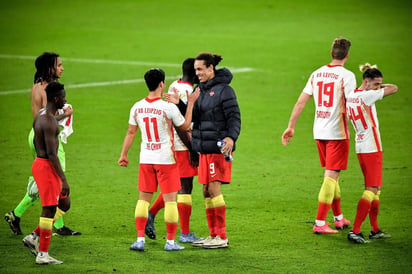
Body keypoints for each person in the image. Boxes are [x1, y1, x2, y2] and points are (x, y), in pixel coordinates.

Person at [118, 68, 199, 251]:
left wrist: (123, 155)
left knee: (143, 200)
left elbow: (131, 132)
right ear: (162, 84)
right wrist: (191, 104)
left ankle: (139, 240)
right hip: (166, 159)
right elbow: (186, 126)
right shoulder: (168, 107)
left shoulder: (137, 106)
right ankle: (170, 242)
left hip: (146, 158)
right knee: (171, 201)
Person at [281, 37, 356, 234]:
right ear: (347, 55)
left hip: (319, 132)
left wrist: (291, 127)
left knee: (333, 175)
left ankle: (338, 218)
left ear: (331, 54)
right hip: (338, 133)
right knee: (331, 176)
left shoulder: (316, 74)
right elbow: (352, 103)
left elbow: (300, 102)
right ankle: (320, 222)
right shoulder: (347, 76)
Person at [4, 52, 80, 236]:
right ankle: (26, 218)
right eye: (59, 65)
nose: (62, 68)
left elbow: (38, 117)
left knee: (44, 180)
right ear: (50, 68)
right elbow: (49, 118)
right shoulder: (48, 90)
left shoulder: (36, 87)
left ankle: (53, 224)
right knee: (55, 181)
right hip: (47, 136)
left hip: (34, 135)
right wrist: (67, 114)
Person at [144, 58, 203, 243]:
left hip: (173, 145)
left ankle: (150, 214)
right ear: (193, 73)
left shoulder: (175, 85)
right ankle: (184, 234)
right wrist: (192, 148)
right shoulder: (188, 91)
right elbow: (183, 122)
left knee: (175, 186)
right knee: (185, 188)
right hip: (183, 144)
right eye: (198, 71)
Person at [189, 52, 241, 249]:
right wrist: (183, 103)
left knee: (213, 189)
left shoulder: (225, 91)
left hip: (219, 147)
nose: (198, 73)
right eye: (195, 70)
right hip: (204, 148)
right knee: (205, 191)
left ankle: (221, 236)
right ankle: (213, 235)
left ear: (211, 68)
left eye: (200, 69)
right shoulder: (199, 90)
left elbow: (234, 117)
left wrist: (231, 137)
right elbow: (194, 117)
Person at [346, 64, 398, 244]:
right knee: (371, 189)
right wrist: (381, 88)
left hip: (361, 146)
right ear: (366, 83)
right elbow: (394, 88)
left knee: (376, 190)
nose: (379, 87)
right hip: (371, 147)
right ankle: (355, 230)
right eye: (376, 84)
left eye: (379, 84)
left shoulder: (352, 95)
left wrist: (375, 86)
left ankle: (374, 229)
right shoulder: (368, 96)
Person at [23, 82, 71, 264]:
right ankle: (42, 254)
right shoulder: (50, 121)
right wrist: (63, 179)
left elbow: (39, 137)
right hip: (46, 166)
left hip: (40, 163)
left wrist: (64, 115)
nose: (65, 100)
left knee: (64, 203)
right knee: (49, 208)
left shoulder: (42, 114)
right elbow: (52, 154)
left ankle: (34, 236)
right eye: (63, 97)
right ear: (56, 98)